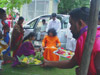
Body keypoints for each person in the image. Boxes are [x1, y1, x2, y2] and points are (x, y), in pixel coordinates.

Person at [41, 7, 100, 75]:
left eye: (71, 24)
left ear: (80, 23)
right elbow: (71, 63)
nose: (70, 28)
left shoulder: (92, 38)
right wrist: (48, 63)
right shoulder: (83, 39)